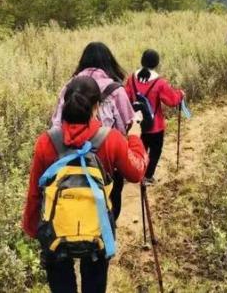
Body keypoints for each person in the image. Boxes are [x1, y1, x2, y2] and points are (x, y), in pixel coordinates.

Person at [23, 76, 148, 293]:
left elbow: (35, 192)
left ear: (65, 103)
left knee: (61, 284)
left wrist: (33, 229)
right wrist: (135, 138)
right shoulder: (111, 139)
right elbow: (137, 172)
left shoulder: (46, 141)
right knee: (94, 284)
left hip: (56, 231)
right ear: (96, 106)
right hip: (97, 229)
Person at [52, 42, 135, 219]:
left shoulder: (68, 87)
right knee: (110, 206)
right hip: (107, 163)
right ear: (109, 62)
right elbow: (126, 126)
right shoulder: (116, 89)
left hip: (68, 162)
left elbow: (57, 123)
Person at [124, 49, 184, 185]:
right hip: (155, 126)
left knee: (140, 149)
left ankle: (138, 172)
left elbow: (126, 98)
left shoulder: (131, 79)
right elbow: (172, 100)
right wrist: (180, 94)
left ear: (142, 61)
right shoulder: (159, 82)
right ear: (157, 63)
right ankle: (148, 176)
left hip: (137, 125)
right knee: (155, 151)